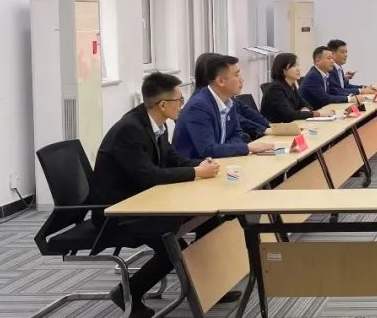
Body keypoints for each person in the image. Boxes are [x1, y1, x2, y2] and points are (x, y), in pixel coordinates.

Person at [88, 72, 222, 317]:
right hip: (118, 212)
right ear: (163, 105)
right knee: (174, 246)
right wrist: (196, 172)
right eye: (179, 100)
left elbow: (173, 159)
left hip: (144, 202)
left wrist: (204, 166)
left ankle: (212, 287)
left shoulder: (156, 124)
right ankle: (127, 292)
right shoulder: (130, 130)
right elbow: (149, 176)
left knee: (210, 219)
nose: (182, 105)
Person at [173, 54, 275, 158]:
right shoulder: (199, 106)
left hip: (221, 162)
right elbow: (208, 150)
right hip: (197, 165)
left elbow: (238, 135)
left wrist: (223, 149)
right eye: (236, 75)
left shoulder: (228, 101)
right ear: (220, 81)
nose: (242, 80)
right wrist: (246, 148)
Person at [193, 52, 270, 140]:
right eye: (236, 75)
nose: (241, 79)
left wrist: (271, 127)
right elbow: (238, 120)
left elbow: (247, 112)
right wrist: (264, 130)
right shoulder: (202, 101)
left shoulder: (226, 96)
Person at [261, 52, 323, 122]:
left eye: (298, 65)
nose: (298, 69)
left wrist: (304, 111)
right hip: (277, 127)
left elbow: (308, 106)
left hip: (290, 124)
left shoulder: (291, 85)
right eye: (294, 66)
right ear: (283, 70)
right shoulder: (275, 89)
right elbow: (290, 115)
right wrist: (315, 114)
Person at [299, 46, 364, 109]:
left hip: (323, 109)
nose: (332, 61)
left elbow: (334, 92)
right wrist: (349, 99)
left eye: (332, 58)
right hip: (311, 112)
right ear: (317, 61)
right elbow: (325, 98)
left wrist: (353, 96)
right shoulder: (313, 76)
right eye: (329, 58)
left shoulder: (324, 74)